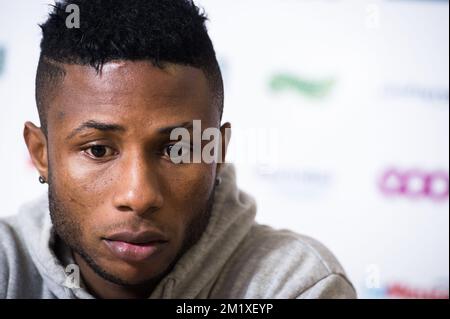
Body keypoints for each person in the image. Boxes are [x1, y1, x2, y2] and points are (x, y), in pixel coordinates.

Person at [0, 0, 356, 299]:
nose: (138, 196)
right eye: (97, 150)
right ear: (41, 154)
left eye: (178, 149)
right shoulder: (6, 266)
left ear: (216, 152)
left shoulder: (296, 286)